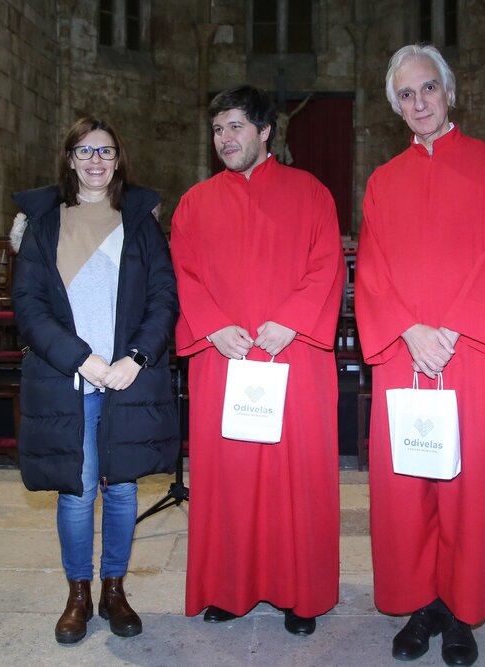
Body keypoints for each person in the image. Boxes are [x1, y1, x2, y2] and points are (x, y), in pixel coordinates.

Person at [355, 45, 485, 666]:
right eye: (406, 95)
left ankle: (461, 610)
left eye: (428, 88)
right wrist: (409, 331)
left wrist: (452, 331)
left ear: (450, 92)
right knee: (411, 485)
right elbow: (371, 272)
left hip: (472, 352)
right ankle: (421, 603)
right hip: (405, 352)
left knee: (467, 484)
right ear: (396, 107)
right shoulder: (383, 182)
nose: (419, 102)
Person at [170, 85, 344, 636]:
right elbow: (183, 273)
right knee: (231, 476)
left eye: (236, 127)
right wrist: (212, 326)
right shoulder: (195, 203)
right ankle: (230, 587)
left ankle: (300, 592)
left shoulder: (310, 193)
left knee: (298, 475)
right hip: (225, 357)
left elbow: (327, 264)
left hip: (294, 356)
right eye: (217, 129)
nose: (225, 139)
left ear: (265, 131)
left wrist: (292, 319)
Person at [11, 116, 180, 645]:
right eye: (84, 151)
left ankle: (114, 590)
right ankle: (78, 594)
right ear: (69, 159)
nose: (95, 161)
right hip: (69, 378)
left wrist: (137, 357)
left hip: (128, 378)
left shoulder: (140, 222)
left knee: (123, 489)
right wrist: (80, 358)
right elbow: (28, 305)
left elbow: (164, 297)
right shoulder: (43, 223)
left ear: (118, 159)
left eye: (105, 151)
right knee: (78, 490)